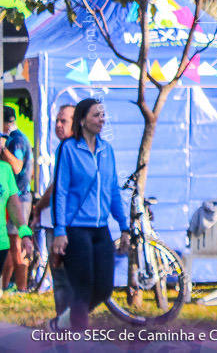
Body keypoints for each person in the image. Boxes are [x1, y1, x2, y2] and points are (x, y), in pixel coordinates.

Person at [51, 99, 129, 331]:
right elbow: (61, 191)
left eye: (103, 115)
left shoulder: (107, 150)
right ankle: (76, 336)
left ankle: (62, 324)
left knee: (104, 289)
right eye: (96, 115)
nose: (102, 120)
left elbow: (113, 190)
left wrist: (124, 227)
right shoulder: (68, 149)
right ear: (83, 120)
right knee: (82, 289)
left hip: (100, 228)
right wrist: (60, 231)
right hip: (76, 229)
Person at [28, 104, 75, 325]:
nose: (57, 125)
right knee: (59, 279)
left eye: (63, 121)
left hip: (65, 226)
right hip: (53, 222)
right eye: (56, 120)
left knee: (67, 279)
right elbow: (54, 185)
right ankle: (63, 323)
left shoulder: (75, 148)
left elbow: (58, 187)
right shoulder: (63, 148)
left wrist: (38, 208)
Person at [1, 105, 32, 292]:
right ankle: (7, 287)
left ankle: (22, 289)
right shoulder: (16, 137)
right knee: (12, 246)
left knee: (17, 245)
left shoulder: (17, 139)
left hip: (19, 198)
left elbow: (17, 167)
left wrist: (2, 149)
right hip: (17, 197)